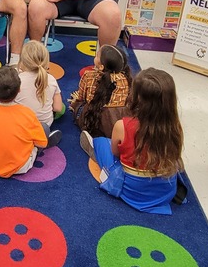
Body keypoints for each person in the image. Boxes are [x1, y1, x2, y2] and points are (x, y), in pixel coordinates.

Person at [79, 67, 184, 215]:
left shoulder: (123, 125)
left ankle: (95, 149)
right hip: (165, 191)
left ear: (136, 97)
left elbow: (115, 153)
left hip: (132, 190)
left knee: (102, 143)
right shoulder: (175, 127)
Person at [0, 66, 61, 178]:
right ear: (19, 90)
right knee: (44, 127)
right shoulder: (27, 114)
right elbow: (42, 143)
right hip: (21, 166)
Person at [70, 44, 131, 138]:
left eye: (97, 55)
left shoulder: (89, 76)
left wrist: (75, 104)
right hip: (118, 122)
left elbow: (81, 98)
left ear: (101, 67)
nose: (95, 56)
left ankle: (92, 136)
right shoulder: (126, 78)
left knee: (77, 105)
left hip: (94, 120)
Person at [15, 40, 65, 134]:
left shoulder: (17, 79)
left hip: (20, 124)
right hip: (44, 124)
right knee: (62, 107)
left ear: (22, 61)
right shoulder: (51, 79)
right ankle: (42, 137)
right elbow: (57, 108)